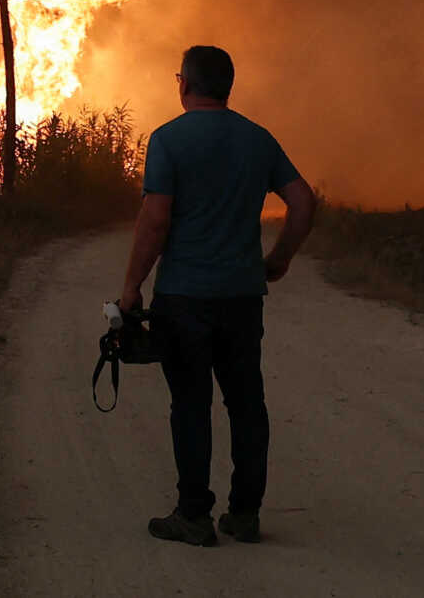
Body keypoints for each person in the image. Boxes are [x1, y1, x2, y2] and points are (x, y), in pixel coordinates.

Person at [115, 43, 317, 548]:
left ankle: (193, 516)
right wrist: (281, 258)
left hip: (183, 297)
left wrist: (132, 286)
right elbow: (303, 201)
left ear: (184, 83)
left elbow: (155, 220)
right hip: (243, 298)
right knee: (247, 403)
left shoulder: (167, 140)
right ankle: (244, 514)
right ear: (227, 87)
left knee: (190, 405)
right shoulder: (257, 139)